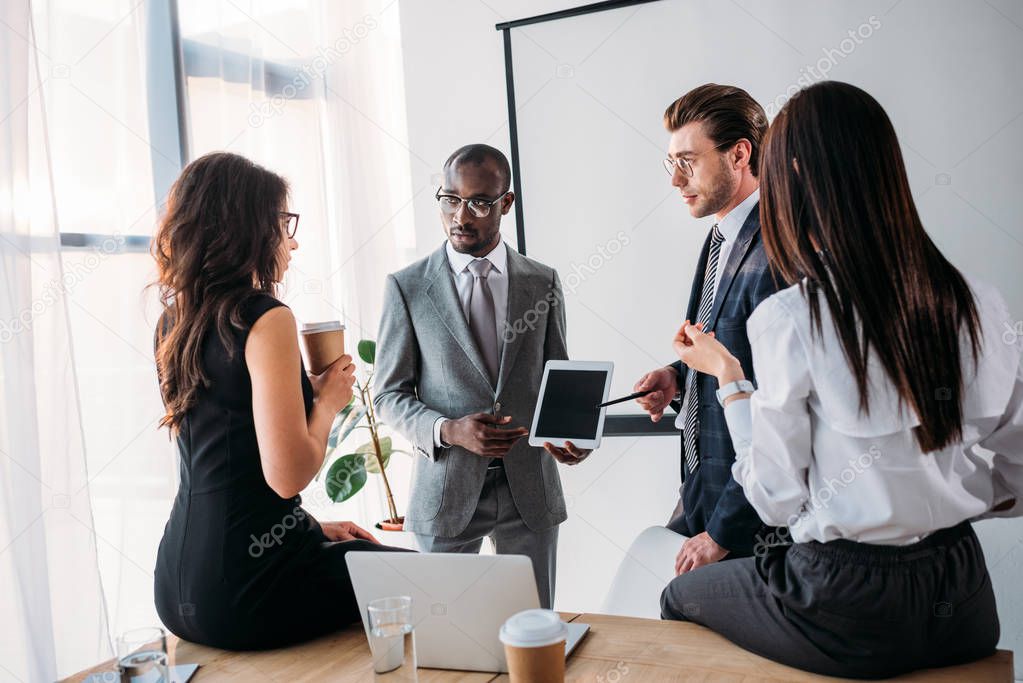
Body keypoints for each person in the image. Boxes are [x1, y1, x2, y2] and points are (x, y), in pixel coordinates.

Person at [660, 81, 1021, 679]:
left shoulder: (793, 317)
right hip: (963, 595)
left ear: (794, 174)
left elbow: (773, 497)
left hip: (849, 604)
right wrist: (938, 499)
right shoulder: (979, 302)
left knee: (677, 597)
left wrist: (729, 381)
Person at [151, 152, 405, 650]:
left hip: (177, 586)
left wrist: (308, 528)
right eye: (282, 223)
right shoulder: (267, 317)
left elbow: (227, 462)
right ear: (248, 228)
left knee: (368, 558)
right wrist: (328, 402)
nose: (292, 241)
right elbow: (287, 476)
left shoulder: (174, 321)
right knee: (439, 585)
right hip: (248, 589)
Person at [373, 144, 586, 609]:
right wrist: (448, 430)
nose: (460, 215)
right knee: (444, 636)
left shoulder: (542, 281)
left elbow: (559, 376)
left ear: (506, 203)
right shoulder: (406, 287)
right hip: (446, 491)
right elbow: (387, 395)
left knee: (534, 633)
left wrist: (572, 437)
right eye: (449, 199)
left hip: (529, 488)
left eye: (479, 202)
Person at [631, 84, 781, 574]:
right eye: (670, 162)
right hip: (701, 489)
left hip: (750, 522)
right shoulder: (722, 235)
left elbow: (781, 409)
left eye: (688, 161)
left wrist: (723, 532)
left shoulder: (780, 249)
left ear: (740, 154)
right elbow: (735, 350)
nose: (676, 179)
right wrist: (680, 375)